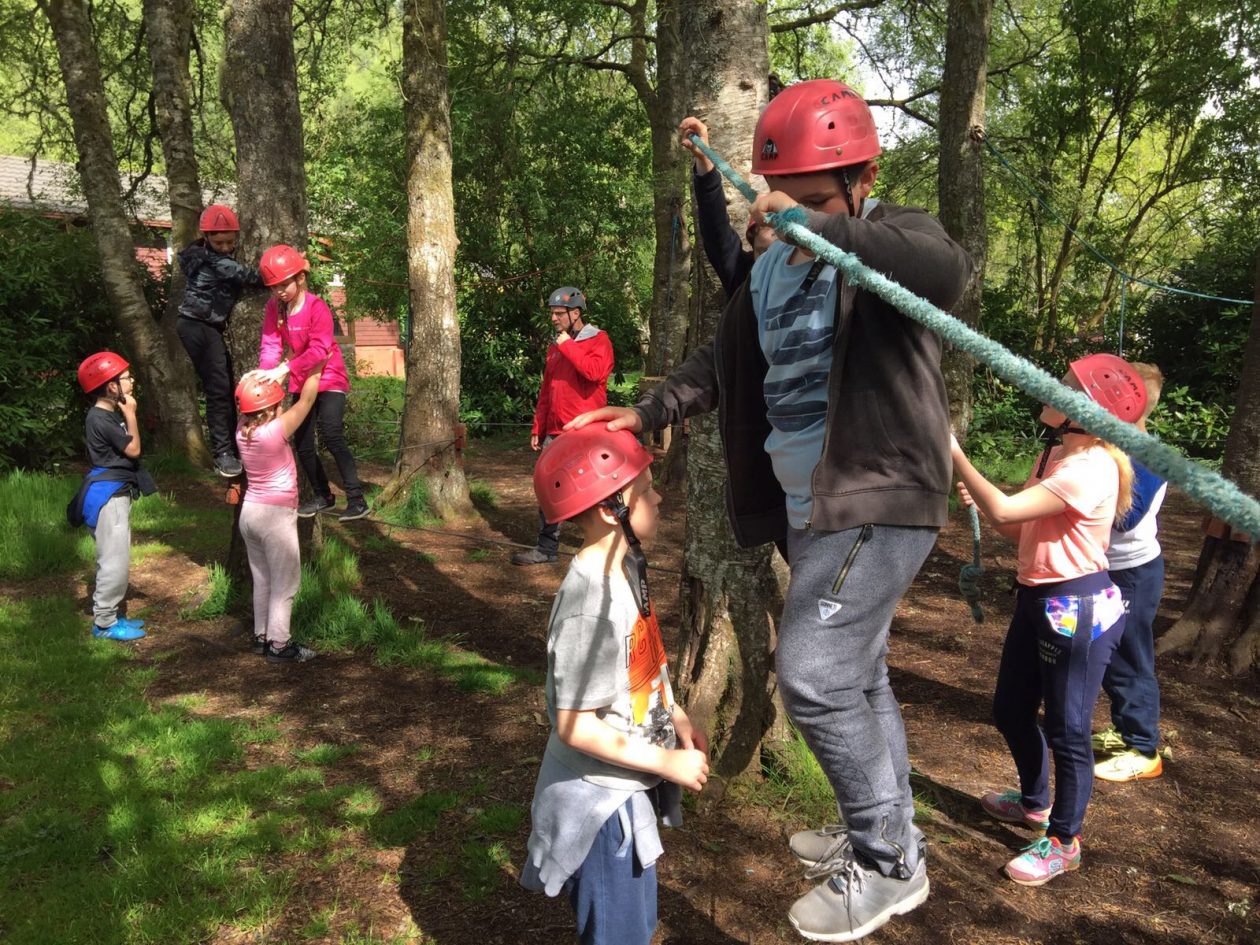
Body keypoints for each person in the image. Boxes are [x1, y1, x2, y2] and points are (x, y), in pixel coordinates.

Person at [570, 79, 972, 941]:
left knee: (816, 673)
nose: (794, 213)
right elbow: (717, 365)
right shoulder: (766, 274)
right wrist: (647, 412)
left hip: (880, 487)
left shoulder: (891, 237)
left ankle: (888, 861)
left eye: (819, 198)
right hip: (811, 503)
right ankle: (891, 830)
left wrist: (816, 225)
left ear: (863, 182)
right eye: (785, 198)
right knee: (859, 674)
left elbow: (948, 274)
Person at [950, 353, 1146, 887]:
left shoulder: (1092, 466)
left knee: (1068, 729)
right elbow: (1019, 531)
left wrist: (956, 455)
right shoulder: (1058, 457)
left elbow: (1009, 512)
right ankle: (1036, 804)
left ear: (1083, 410)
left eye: (1061, 386)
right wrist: (988, 501)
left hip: (1076, 609)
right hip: (1040, 601)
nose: (1048, 389)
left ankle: (1064, 840)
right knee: (1011, 709)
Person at [519, 424, 708, 945]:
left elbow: (645, 652)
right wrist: (669, 762)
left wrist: (676, 712)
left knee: (636, 926)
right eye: (646, 490)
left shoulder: (624, 568)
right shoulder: (588, 608)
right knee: (619, 936)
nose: (659, 496)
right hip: (600, 807)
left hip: (626, 785)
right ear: (611, 509)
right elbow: (576, 727)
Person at [252, 244, 369, 521]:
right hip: (299, 380)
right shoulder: (275, 308)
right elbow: (270, 344)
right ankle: (323, 495)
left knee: (331, 433)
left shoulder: (318, 308)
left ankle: (357, 499)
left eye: (283, 285)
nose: (279, 292)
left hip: (329, 377)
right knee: (303, 443)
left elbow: (319, 350)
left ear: (300, 278)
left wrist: (285, 368)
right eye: (273, 287)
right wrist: (264, 373)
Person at [1093, 362, 1168, 782]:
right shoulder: (1110, 448)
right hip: (1107, 569)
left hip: (1132, 574)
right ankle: (1125, 730)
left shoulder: (1147, 457)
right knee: (1105, 655)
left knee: (1128, 656)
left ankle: (1143, 748)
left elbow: (1123, 518)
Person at [511, 287, 614, 566]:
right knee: (549, 488)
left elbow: (595, 373)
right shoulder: (556, 346)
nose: (554, 319)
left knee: (597, 489)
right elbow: (548, 389)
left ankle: (610, 546)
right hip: (555, 431)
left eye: (559, 313)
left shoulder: (598, 340)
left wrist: (567, 345)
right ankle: (547, 548)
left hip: (586, 431)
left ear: (575, 313)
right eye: (552, 314)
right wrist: (538, 426)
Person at [234, 366, 325, 663]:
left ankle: (262, 637)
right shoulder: (275, 431)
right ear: (271, 408)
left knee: (263, 579)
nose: (282, 405)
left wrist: (273, 374)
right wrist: (315, 369)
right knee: (286, 582)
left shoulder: (241, 430)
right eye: (277, 403)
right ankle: (280, 644)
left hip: (250, 513)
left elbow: (249, 394)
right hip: (275, 515)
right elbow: (306, 402)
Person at [68, 352, 157, 641]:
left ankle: (113, 615)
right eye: (126, 378)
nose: (131, 381)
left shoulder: (104, 415)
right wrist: (130, 414)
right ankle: (104, 623)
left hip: (114, 493)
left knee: (117, 557)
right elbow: (133, 450)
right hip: (109, 497)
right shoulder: (101, 418)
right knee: (113, 561)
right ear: (111, 386)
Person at [176, 204, 263, 478]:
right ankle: (224, 454)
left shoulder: (204, 253)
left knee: (224, 388)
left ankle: (230, 449)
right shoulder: (214, 261)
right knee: (218, 390)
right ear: (206, 237)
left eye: (230, 241)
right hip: (198, 326)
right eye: (219, 242)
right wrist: (291, 268)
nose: (225, 247)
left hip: (205, 327)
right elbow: (251, 276)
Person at [679, 116, 778, 297]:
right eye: (768, 227)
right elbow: (716, 229)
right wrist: (705, 159)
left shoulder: (814, 276)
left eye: (781, 230)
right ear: (753, 240)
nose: (776, 236)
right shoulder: (743, 276)